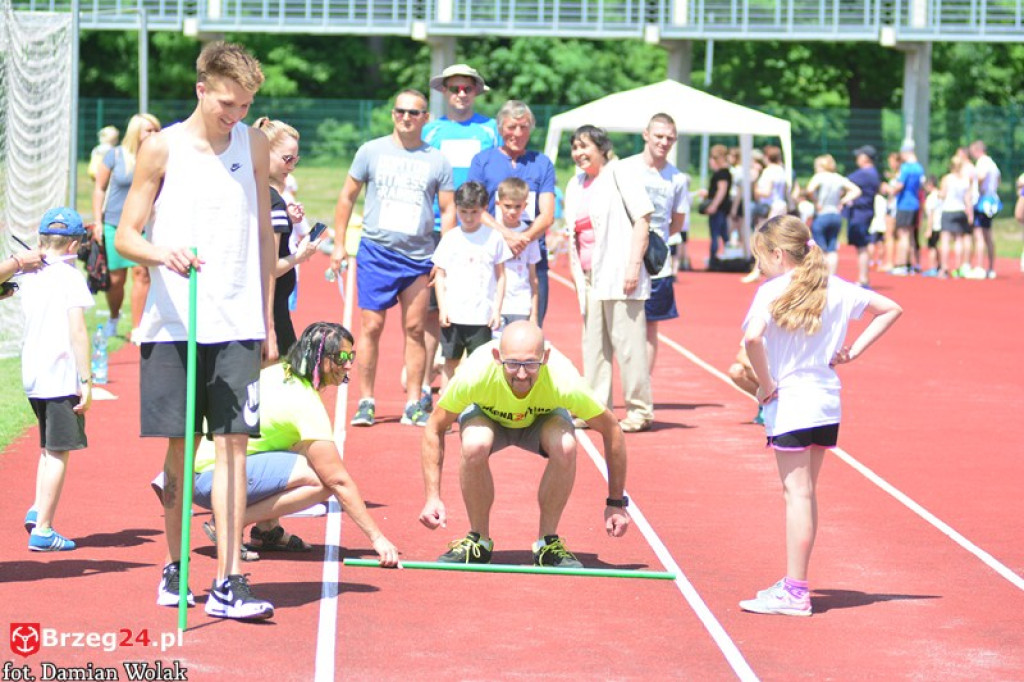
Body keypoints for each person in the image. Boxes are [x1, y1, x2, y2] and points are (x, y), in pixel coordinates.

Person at [115, 41, 278, 621]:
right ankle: (176, 567)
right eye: (227, 104)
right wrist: (163, 253)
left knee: (234, 448)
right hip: (174, 321)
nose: (235, 115)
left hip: (236, 320)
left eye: (245, 105)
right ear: (202, 88)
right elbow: (124, 236)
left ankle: (229, 578)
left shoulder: (254, 143)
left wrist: (266, 319)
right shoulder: (160, 149)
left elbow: (264, 232)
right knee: (181, 453)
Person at [739, 214, 902, 617]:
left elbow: (753, 338)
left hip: (791, 401)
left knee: (797, 495)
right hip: (827, 401)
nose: (760, 265)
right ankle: (794, 581)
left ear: (778, 254)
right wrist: (855, 350)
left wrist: (765, 384)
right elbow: (890, 308)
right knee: (806, 493)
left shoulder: (773, 290)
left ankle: (795, 590)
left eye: (762, 256)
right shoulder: (836, 287)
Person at [154, 322, 400, 567]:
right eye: (341, 357)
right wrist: (377, 538)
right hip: (213, 479)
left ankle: (267, 531)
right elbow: (338, 480)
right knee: (321, 479)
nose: (348, 364)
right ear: (319, 359)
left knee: (297, 447)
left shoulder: (279, 371)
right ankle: (228, 522)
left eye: (351, 356)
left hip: (199, 471)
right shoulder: (305, 403)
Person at [418, 321, 631, 567]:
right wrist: (432, 496)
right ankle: (478, 541)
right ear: (497, 357)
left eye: (531, 364)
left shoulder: (564, 379)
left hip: (542, 420)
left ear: (546, 357)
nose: (521, 374)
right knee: (474, 444)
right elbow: (434, 426)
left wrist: (616, 503)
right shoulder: (475, 372)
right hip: (488, 417)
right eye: (513, 364)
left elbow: (612, 429)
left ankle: (547, 544)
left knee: (566, 445)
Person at [329, 89, 455, 428]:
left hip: (418, 256)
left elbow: (448, 209)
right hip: (376, 253)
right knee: (370, 327)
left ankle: (414, 400)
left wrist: (446, 255)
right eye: (401, 111)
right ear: (393, 115)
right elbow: (347, 197)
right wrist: (339, 244)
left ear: (425, 117)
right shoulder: (371, 151)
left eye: (414, 112)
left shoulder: (437, 160)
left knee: (415, 329)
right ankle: (366, 400)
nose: (407, 117)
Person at [419, 63, 501, 408]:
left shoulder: (489, 130)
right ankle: (425, 385)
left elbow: (494, 179)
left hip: (477, 229)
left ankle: (477, 390)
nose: (461, 94)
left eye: (467, 88)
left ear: (476, 91)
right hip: (438, 231)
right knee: (433, 311)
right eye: (454, 88)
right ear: (444, 92)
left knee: (477, 304)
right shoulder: (432, 131)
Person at [564, 125, 654, 433]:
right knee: (594, 348)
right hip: (589, 276)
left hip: (619, 273)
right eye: (575, 147)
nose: (579, 153)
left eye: (585, 146)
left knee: (628, 347)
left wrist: (633, 266)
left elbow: (643, 218)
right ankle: (596, 409)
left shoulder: (620, 174)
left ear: (602, 148)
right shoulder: (576, 183)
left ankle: (640, 411)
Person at [19, 207, 93, 552]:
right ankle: (44, 529)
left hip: (33, 373)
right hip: (60, 374)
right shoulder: (70, 277)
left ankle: (38, 508)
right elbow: (78, 330)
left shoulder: (30, 273)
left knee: (48, 448)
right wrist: (87, 379)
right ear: (74, 244)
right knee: (60, 451)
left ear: (40, 240)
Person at [467, 100, 556, 326]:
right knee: (487, 330)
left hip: (531, 261)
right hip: (490, 259)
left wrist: (523, 239)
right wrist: (508, 236)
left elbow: (547, 215)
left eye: (524, 127)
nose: (517, 133)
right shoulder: (482, 161)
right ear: (500, 129)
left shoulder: (542, 163)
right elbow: (476, 208)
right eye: (511, 127)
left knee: (529, 331)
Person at [623, 113, 687, 374]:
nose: (664, 142)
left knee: (650, 326)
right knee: (623, 325)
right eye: (659, 136)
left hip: (657, 265)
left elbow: (678, 222)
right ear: (646, 135)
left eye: (670, 138)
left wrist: (655, 244)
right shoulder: (626, 168)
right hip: (624, 258)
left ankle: (641, 388)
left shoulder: (677, 178)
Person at [253, 117, 322, 356]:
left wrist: (286, 219)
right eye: (286, 159)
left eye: (295, 159)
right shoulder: (272, 200)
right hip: (270, 311)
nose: (291, 166)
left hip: (266, 308)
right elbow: (269, 267)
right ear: (263, 153)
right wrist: (299, 256)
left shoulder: (257, 192)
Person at [432, 181, 512, 384]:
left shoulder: (494, 238)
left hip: (481, 316)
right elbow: (440, 275)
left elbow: (501, 275)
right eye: (463, 211)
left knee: (480, 364)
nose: (468, 217)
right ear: (457, 208)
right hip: (454, 314)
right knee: (450, 362)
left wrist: (497, 309)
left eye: (474, 212)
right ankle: (446, 404)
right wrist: (443, 309)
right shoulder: (450, 238)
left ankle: (476, 407)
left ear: (484, 209)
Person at [91, 113, 162, 340]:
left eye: (155, 130)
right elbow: (99, 188)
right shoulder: (116, 155)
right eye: (148, 130)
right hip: (115, 223)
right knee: (116, 279)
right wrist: (97, 221)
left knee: (142, 274)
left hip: (144, 225)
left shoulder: (159, 157)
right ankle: (113, 317)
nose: (153, 134)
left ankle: (138, 327)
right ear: (135, 132)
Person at [495, 177, 541, 327]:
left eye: (517, 206)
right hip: (496, 306)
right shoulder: (491, 233)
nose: (512, 211)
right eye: (507, 206)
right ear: (498, 204)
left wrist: (534, 314)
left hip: (521, 305)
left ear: (525, 206)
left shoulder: (529, 235)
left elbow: (533, 278)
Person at [806, 154, 861, 275]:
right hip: (835, 214)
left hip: (822, 213)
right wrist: (842, 201)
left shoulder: (820, 176)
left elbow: (809, 189)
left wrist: (816, 202)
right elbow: (856, 190)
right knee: (832, 248)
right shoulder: (838, 177)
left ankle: (822, 276)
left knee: (820, 248)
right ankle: (832, 276)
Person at [844, 145, 881, 288]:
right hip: (864, 212)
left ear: (865, 158)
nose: (857, 158)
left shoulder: (865, 173)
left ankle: (863, 279)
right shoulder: (873, 173)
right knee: (861, 246)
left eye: (859, 156)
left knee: (862, 246)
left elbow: (844, 181)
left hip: (860, 213)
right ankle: (863, 278)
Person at [888, 140, 924, 276]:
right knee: (910, 236)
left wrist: (890, 190)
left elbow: (899, 185)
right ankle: (911, 264)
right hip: (914, 203)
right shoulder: (919, 168)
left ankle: (901, 264)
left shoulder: (906, 168)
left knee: (902, 235)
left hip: (904, 204)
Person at [968, 140, 1001, 279]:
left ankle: (980, 267)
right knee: (988, 234)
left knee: (979, 234)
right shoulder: (993, 163)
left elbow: (981, 176)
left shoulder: (982, 162)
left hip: (983, 200)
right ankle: (991, 268)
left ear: (977, 150)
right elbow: (999, 179)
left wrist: (976, 187)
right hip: (992, 199)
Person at [939, 154, 974, 278]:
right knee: (959, 240)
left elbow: (943, 194)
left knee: (945, 240)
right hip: (960, 210)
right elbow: (968, 198)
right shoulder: (965, 180)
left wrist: (937, 194)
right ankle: (958, 267)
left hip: (948, 209)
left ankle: (944, 267)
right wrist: (970, 214)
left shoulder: (947, 179)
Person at [701, 144, 733, 264]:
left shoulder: (722, 173)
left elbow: (722, 190)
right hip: (722, 207)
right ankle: (726, 256)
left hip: (720, 208)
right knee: (723, 234)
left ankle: (714, 258)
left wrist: (713, 205)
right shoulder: (724, 172)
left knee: (716, 233)